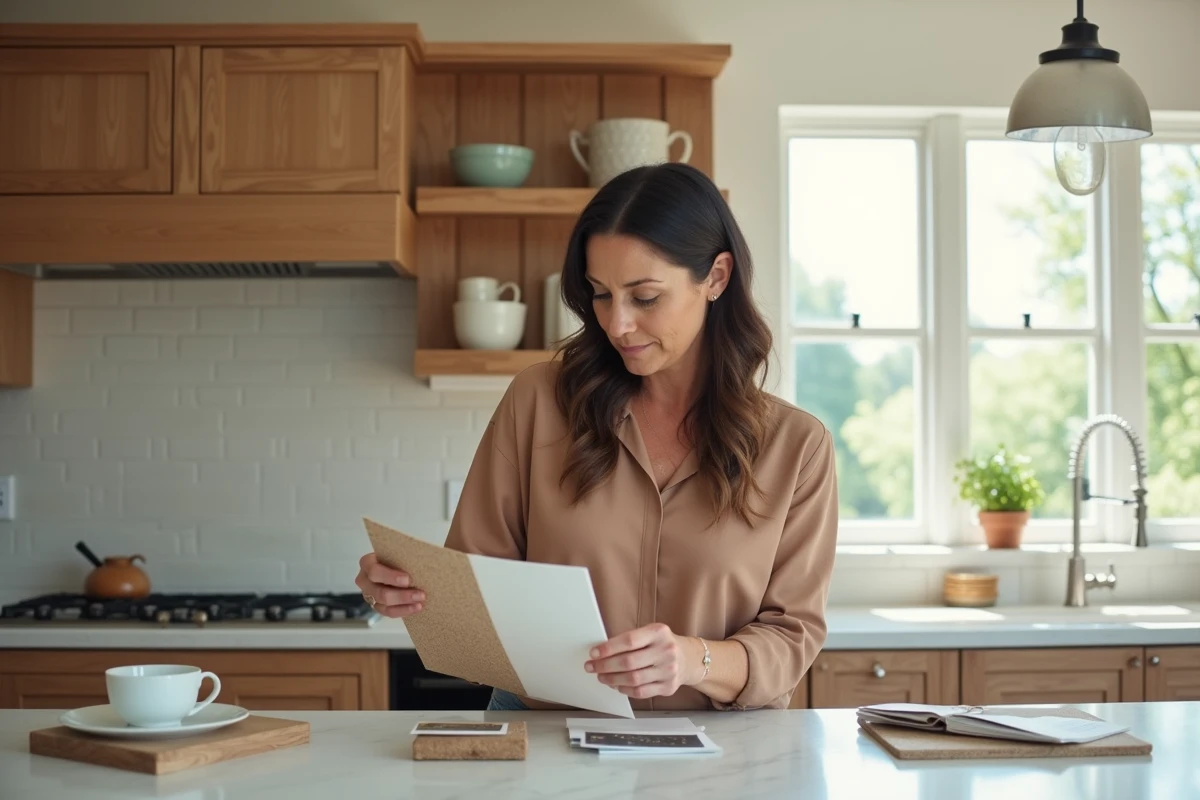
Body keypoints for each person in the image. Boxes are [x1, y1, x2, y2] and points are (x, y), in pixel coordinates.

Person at [356, 162, 838, 712]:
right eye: (601, 294)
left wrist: (692, 659)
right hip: (550, 750)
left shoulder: (797, 446)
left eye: (645, 297)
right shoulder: (537, 402)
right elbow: (476, 603)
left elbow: (793, 636)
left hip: (722, 759)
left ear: (717, 278)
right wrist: (411, 593)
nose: (617, 324)